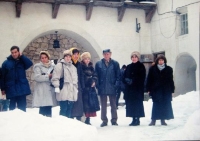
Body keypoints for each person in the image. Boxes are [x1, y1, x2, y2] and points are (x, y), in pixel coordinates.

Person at [1, 46, 33, 112]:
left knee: (22, 109)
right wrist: (3, 88)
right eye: (12, 53)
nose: (14, 54)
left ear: (18, 52)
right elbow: (2, 76)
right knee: (12, 109)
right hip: (11, 89)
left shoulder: (22, 61)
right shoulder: (6, 63)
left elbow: (30, 63)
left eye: (15, 52)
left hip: (22, 88)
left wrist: (22, 56)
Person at [146, 55, 175, 126]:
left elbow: (171, 80)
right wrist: (148, 88)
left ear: (164, 61)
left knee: (164, 105)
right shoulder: (153, 69)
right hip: (156, 90)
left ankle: (163, 120)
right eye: (159, 60)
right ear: (157, 61)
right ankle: (153, 120)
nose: (161, 61)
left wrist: (172, 90)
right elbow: (149, 79)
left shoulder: (169, 69)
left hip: (166, 90)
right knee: (156, 105)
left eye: (162, 60)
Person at [95, 49, 120, 127]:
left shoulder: (115, 63)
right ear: (103, 55)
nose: (106, 56)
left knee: (113, 105)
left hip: (112, 86)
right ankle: (104, 120)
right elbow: (96, 76)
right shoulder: (98, 64)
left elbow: (118, 76)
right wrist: (98, 85)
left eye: (108, 54)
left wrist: (116, 85)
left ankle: (114, 120)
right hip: (102, 87)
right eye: (105, 54)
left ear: (110, 54)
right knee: (103, 105)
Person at [51, 50, 78, 118]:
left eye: (69, 57)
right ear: (64, 57)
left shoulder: (73, 67)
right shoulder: (60, 65)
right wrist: (56, 86)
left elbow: (75, 80)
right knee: (63, 109)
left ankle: (68, 126)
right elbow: (55, 77)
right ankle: (62, 125)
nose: (68, 58)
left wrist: (76, 89)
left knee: (69, 110)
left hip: (71, 91)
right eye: (66, 56)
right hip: (64, 90)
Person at [123, 51, 146, 126]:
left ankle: (137, 119)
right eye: (132, 57)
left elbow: (142, 77)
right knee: (131, 105)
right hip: (130, 90)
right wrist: (126, 80)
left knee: (137, 104)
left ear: (138, 58)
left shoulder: (141, 66)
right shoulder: (129, 66)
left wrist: (133, 81)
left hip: (137, 89)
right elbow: (124, 76)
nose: (134, 58)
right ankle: (133, 118)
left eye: (135, 57)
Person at [32, 51, 57, 117]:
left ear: (48, 58)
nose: (44, 59)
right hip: (42, 89)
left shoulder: (53, 66)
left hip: (49, 90)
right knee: (42, 108)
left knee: (49, 107)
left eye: (45, 57)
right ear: (40, 59)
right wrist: (48, 76)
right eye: (42, 58)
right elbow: (37, 77)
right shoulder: (38, 67)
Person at [80, 52, 99, 125]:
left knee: (90, 104)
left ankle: (88, 119)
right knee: (85, 104)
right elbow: (83, 77)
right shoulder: (81, 67)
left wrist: (94, 81)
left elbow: (95, 75)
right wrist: (89, 80)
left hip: (91, 89)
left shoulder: (91, 67)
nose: (87, 60)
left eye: (88, 59)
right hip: (85, 89)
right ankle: (84, 118)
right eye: (85, 59)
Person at [70, 48, 85, 121]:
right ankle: (71, 116)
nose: (76, 56)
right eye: (74, 54)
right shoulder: (69, 63)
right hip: (71, 85)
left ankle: (78, 116)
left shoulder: (79, 64)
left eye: (77, 54)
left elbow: (81, 75)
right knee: (72, 100)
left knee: (79, 101)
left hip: (78, 85)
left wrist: (82, 86)